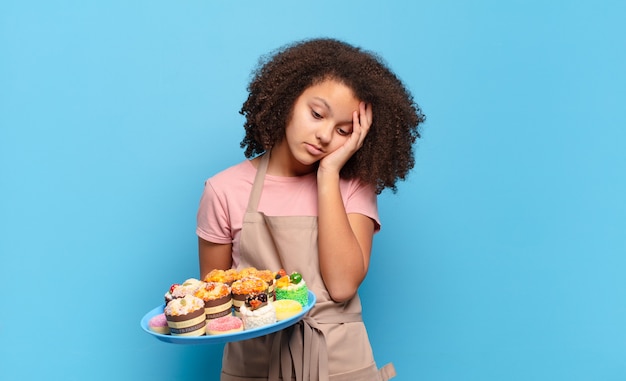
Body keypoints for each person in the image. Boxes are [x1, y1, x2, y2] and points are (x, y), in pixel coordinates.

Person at [196, 37, 425, 381]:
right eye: (316, 114)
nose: (323, 135)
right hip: (255, 366)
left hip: (341, 364)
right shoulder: (224, 189)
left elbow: (343, 285)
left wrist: (329, 174)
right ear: (288, 99)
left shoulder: (353, 188)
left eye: (342, 131)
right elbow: (214, 299)